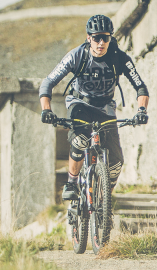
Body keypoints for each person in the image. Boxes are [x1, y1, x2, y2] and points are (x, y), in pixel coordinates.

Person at [39, 14, 150, 205]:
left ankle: (104, 199)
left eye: (105, 37)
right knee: (81, 140)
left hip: (105, 107)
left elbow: (140, 86)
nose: (101, 42)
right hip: (80, 104)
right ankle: (72, 183)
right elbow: (48, 82)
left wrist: (141, 110)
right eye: (96, 37)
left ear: (110, 38)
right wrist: (46, 109)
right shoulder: (77, 55)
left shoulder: (119, 58)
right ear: (88, 37)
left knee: (115, 164)